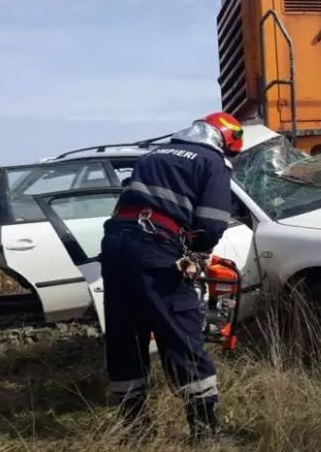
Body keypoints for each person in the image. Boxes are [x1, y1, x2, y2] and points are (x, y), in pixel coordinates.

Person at [100, 111, 243, 442]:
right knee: (181, 331)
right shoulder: (212, 161)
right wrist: (196, 253)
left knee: (125, 335)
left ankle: (136, 431)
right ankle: (205, 434)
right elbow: (211, 223)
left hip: (115, 245)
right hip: (155, 249)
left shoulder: (153, 154)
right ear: (226, 140)